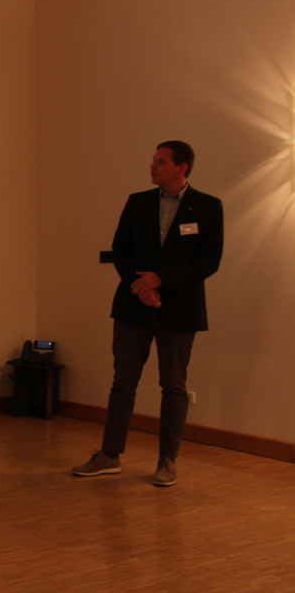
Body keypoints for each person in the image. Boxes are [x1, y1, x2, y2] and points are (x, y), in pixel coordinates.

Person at [72, 141, 223, 486]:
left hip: (179, 310)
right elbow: (121, 250)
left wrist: (161, 280)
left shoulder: (208, 206)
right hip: (133, 307)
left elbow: (209, 260)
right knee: (123, 383)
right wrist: (142, 287)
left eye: (161, 161)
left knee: (173, 386)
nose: (153, 166)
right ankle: (109, 455)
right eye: (153, 160)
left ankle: (167, 461)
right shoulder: (138, 202)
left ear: (182, 167)